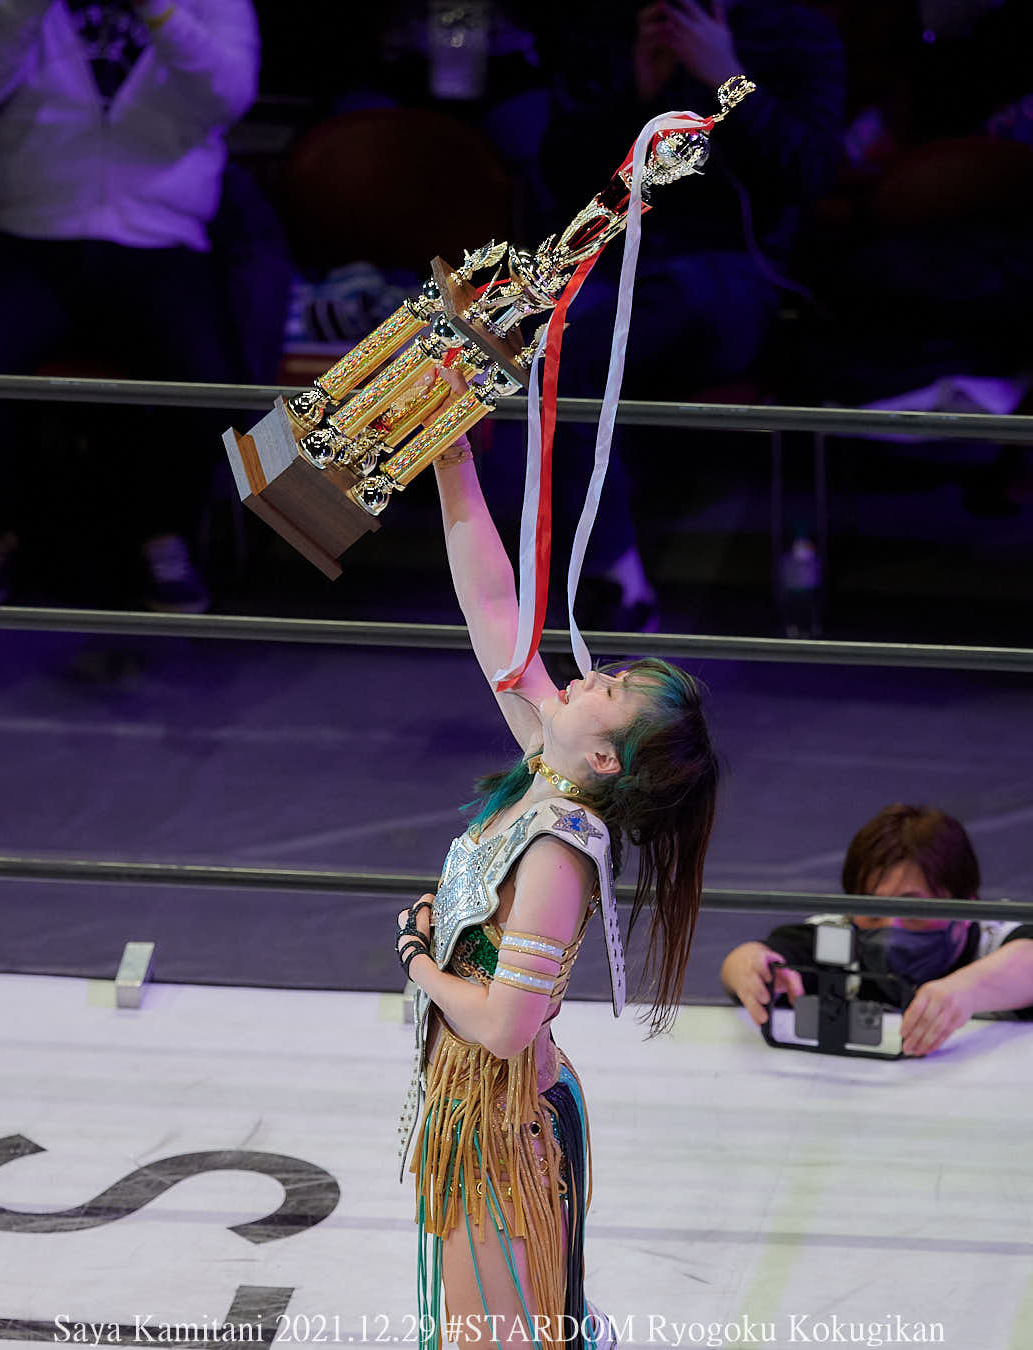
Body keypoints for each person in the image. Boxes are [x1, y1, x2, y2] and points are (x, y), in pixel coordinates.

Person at [394, 369, 720, 1349]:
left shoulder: (558, 854)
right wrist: (452, 460)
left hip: (501, 1120)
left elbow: (503, 1025)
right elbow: (494, 606)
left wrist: (416, 958)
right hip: (478, 1106)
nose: (583, 676)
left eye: (606, 688)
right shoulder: (549, 763)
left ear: (607, 758)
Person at [535, 0, 846, 628]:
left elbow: (811, 172)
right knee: (534, 340)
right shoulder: (614, 28)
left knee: (582, 344)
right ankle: (559, 579)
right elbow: (561, 179)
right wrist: (636, 96)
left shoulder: (795, 31)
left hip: (738, 277)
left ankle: (612, 586)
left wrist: (728, 79)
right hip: (616, 266)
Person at [0, 0, 259, 611]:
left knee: (208, 376)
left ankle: (166, 534)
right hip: (32, 237)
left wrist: (161, 12)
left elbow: (228, 96)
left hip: (162, 242)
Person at [720, 803, 1033, 1057]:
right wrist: (749, 967)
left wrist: (966, 991)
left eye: (914, 911)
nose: (890, 929)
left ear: (967, 906)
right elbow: (752, 959)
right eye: (872, 910)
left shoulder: (995, 942)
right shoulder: (838, 941)